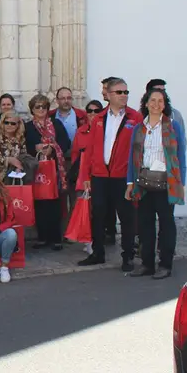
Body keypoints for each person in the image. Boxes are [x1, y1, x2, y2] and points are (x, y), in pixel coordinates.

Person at [77, 78, 143, 271]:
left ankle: (128, 256)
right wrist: (86, 176)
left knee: (126, 217)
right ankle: (98, 253)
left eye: (126, 92)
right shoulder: (99, 118)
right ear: (109, 95)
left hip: (123, 176)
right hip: (99, 175)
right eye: (120, 92)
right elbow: (89, 149)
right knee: (98, 215)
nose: (124, 95)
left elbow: (140, 149)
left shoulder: (135, 118)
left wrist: (135, 176)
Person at [125, 88, 186, 280]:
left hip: (166, 183)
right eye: (153, 100)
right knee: (144, 224)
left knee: (166, 225)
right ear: (146, 103)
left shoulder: (173, 126)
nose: (156, 104)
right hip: (143, 182)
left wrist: (181, 183)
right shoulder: (138, 128)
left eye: (160, 101)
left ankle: (165, 265)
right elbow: (132, 157)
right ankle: (147, 264)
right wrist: (129, 183)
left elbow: (180, 156)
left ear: (165, 105)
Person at [24, 93, 71, 250]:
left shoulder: (56, 124)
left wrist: (53, 148)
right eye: (37, 107)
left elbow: (65, 142)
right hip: (37, 169)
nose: (41, 109)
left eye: (44, 106)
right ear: (32, 109)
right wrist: (35, 149)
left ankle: (56, 238)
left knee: (55, 203)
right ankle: (42, 237)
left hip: (55, 168)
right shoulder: (28, 127)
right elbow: (25, 146)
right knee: (39, 203)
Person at [70, 99, 104, 256]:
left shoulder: (105, 130)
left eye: (96, 111)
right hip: (83, 174)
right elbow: (76, 154)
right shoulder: (81, 131)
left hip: (100, 173)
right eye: (89, 111)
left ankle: (96, 240)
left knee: (97, 210)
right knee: (85, 208)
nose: (92, 114)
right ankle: (87, 240)